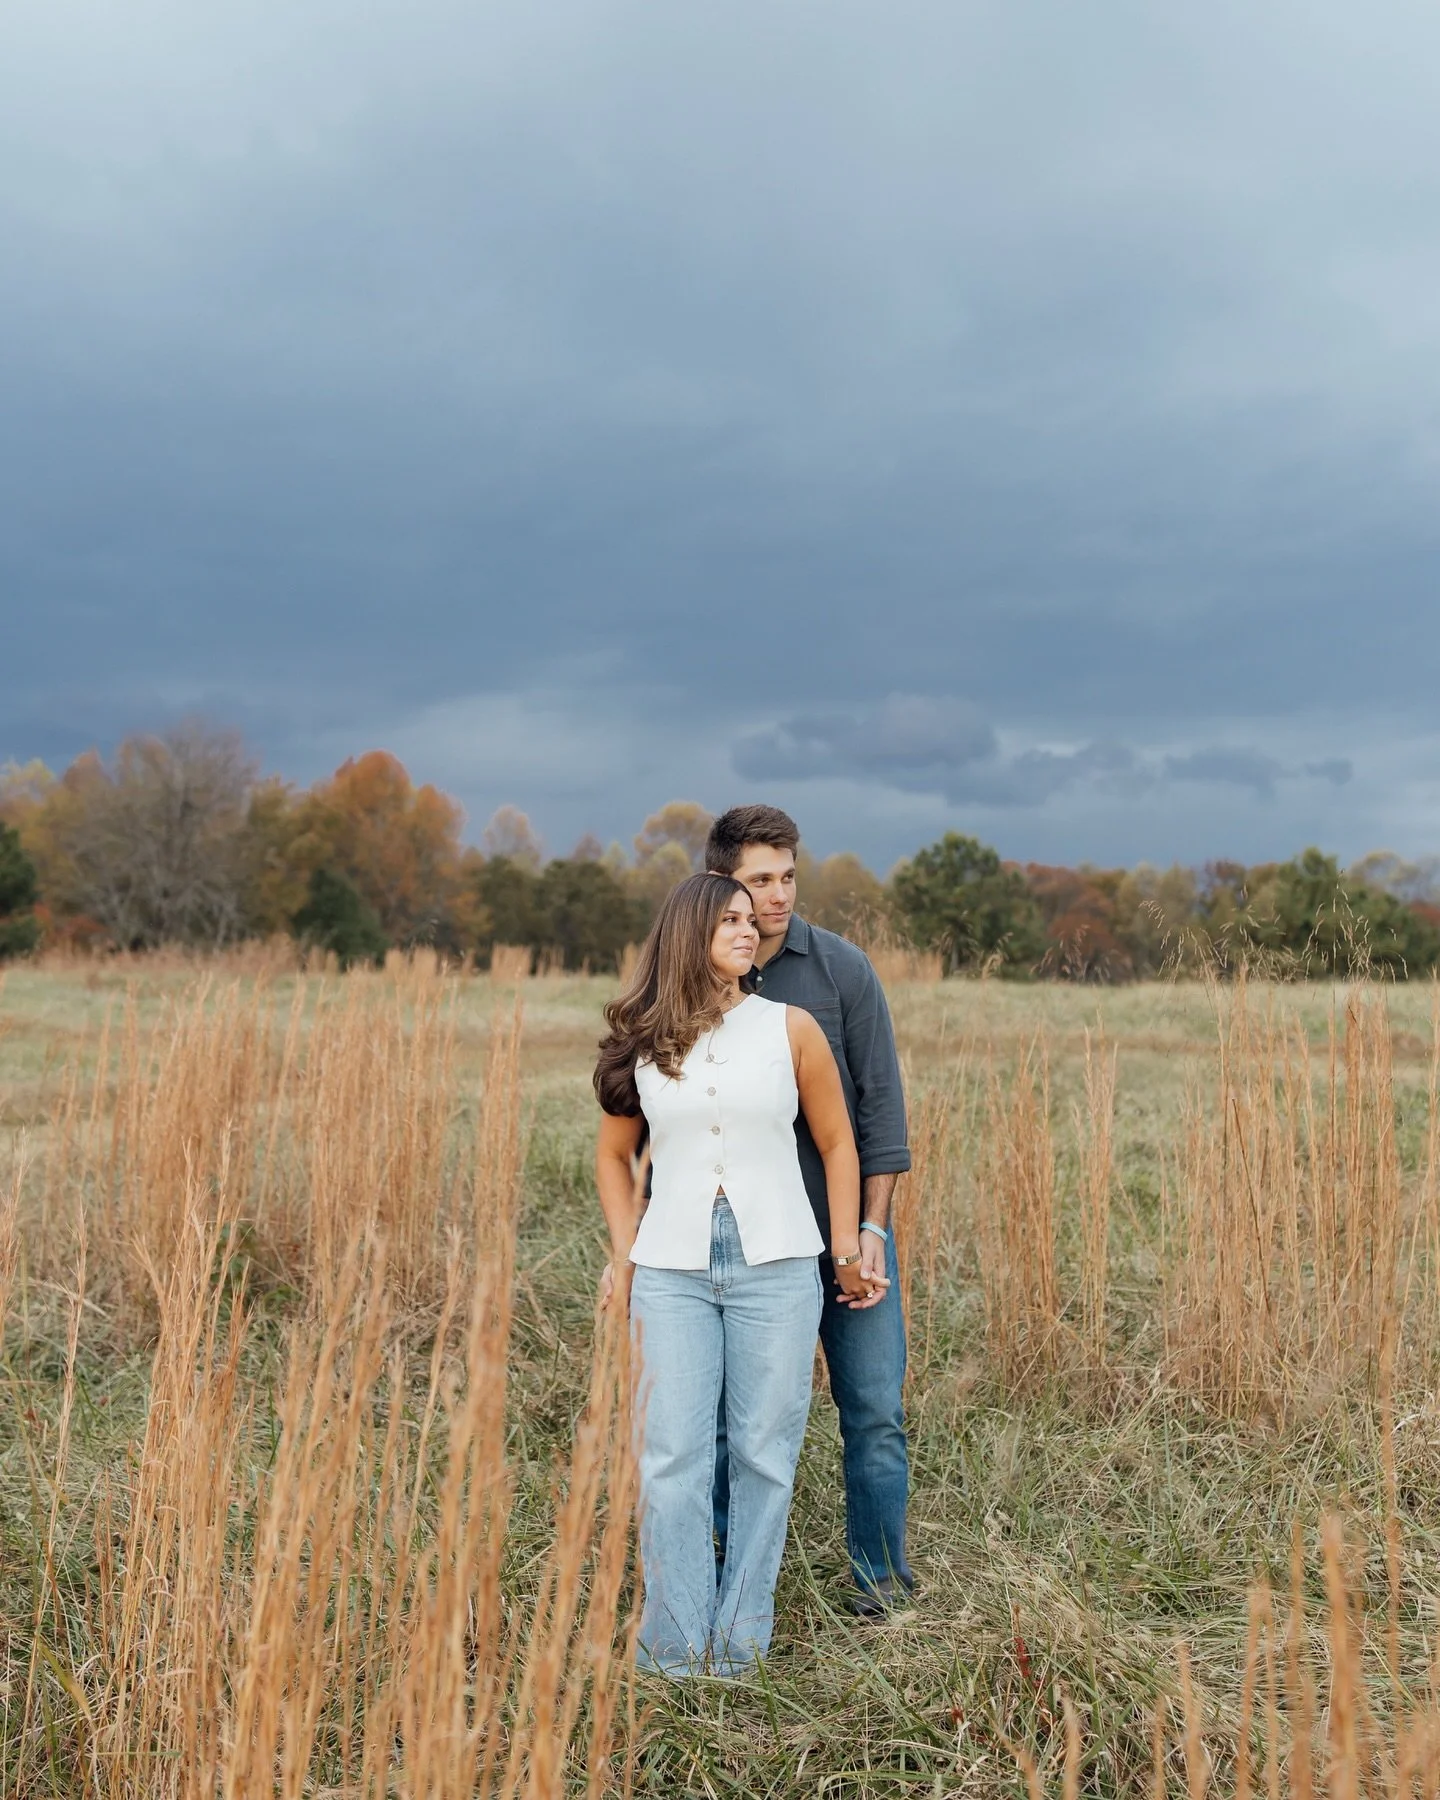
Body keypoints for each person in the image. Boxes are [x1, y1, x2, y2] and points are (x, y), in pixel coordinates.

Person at [594, 872, 882, 1677]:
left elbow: (838, 1144)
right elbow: (614, 1157)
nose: (750, 930)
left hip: (779, 1263)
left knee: (762, 1452)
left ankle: (741, 1643)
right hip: (672, 1269)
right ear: (689, 931)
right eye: (730, 919)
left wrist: (848, 1251)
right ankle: (678, 1649)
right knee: (672, 1456)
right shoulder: (643, 1039)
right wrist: (623, 1255)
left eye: (753, 920)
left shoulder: (791, 1029)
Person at [704, 804, 915, 1616]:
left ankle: (881, 1587)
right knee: (734, 1427)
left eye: (789, 876)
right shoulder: (697, 979)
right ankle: (732, 1587)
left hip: (844, 1244)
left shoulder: (840, 972)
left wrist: (868, 1232)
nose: (781, 895)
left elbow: (880, 1118)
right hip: (747, 1248)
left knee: (874, 1411)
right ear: (723, 881)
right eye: (761, 881)